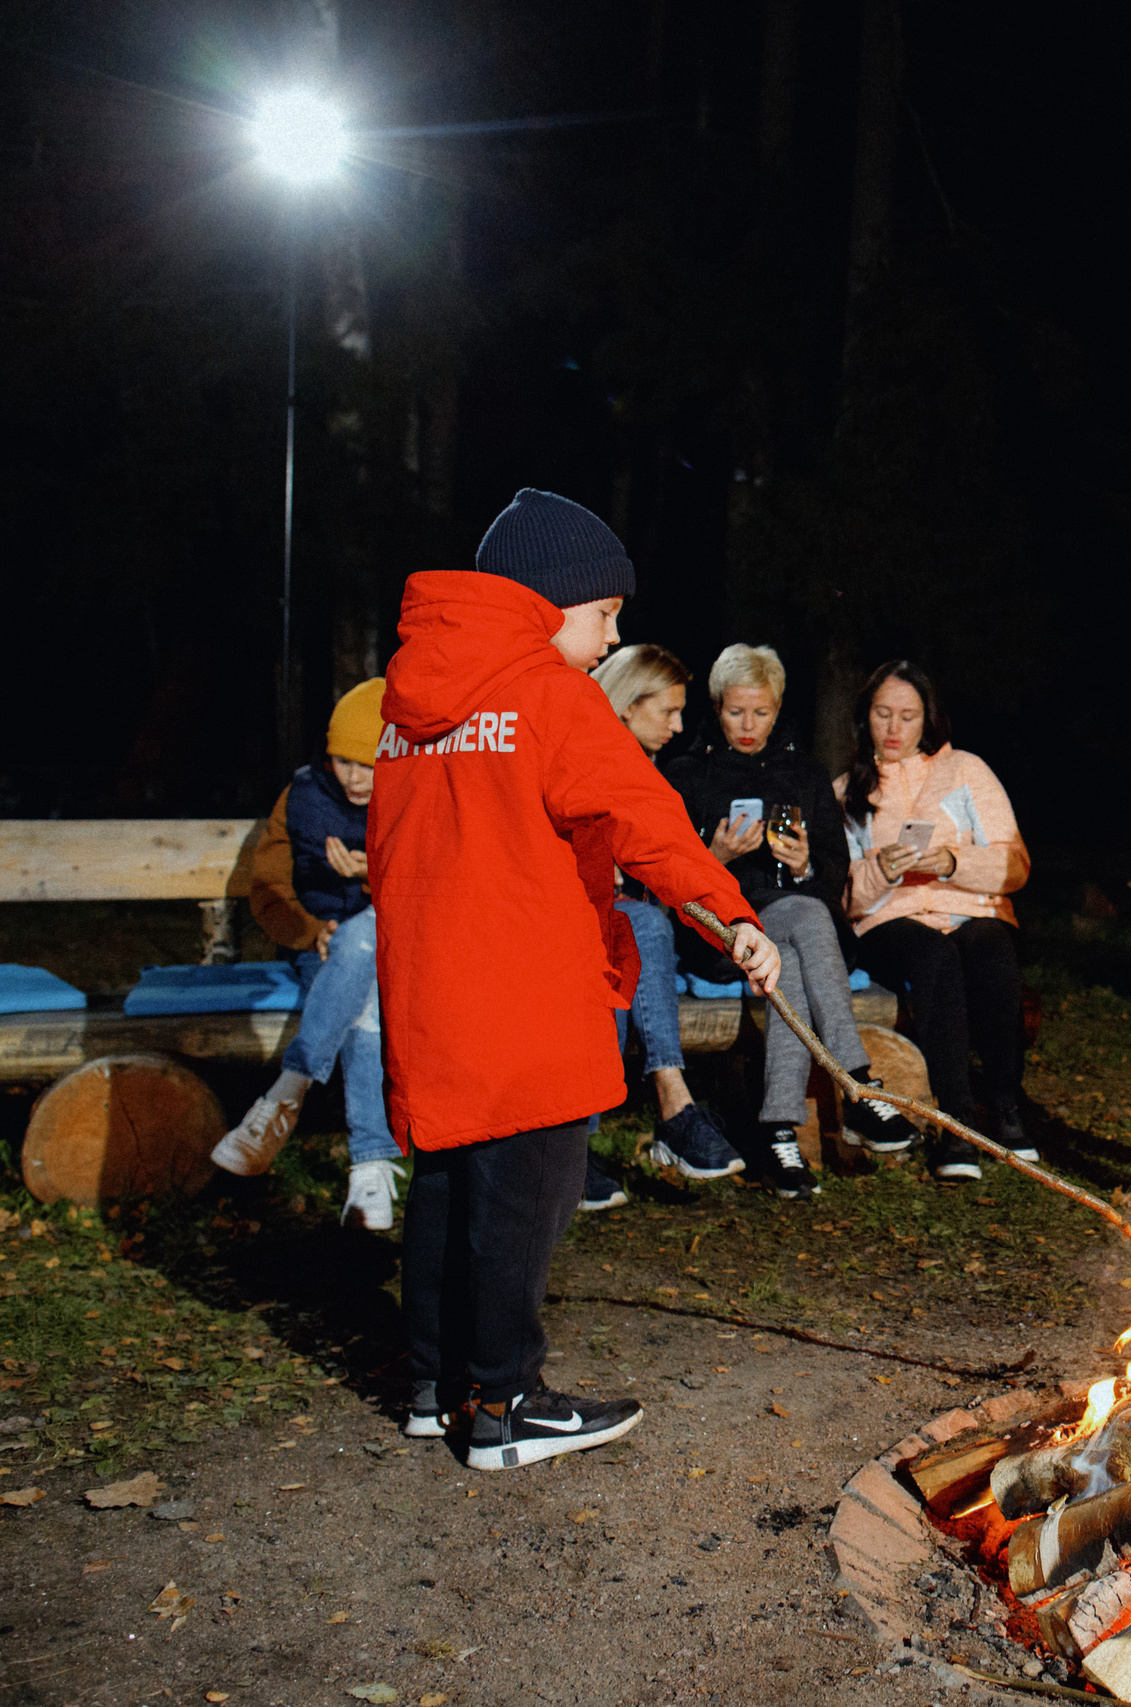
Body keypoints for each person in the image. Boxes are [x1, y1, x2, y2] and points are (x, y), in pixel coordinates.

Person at [373, 487, 777, 1467]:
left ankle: (435, 1386)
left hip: (433, 993)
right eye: (604, 613)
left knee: (448, 1186)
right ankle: (504, 1405)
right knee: (526, 1196)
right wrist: (728, 913)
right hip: (528, 994)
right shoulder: (549, 697)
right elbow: (646, 818)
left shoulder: (408, 701)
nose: (612, 637)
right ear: (548, 601)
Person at [663, 643, 910, 1191]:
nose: (749, 725)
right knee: (803, 919)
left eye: (762, 712)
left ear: (777, 709)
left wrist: (804, 865)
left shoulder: (804, 771)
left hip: (794, 934)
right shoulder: (687, 774)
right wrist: (714, 858)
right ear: (716, 707)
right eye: (736, 712)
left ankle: (779, 1133)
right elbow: (666, 871)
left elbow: (834, 866)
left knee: (792, 955)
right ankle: (858, 1085)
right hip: (720, 932)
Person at [212, 678, 404, 1231]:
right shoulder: (302, 796)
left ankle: (285, 1093)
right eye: (343, 762)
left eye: (368, 764)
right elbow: (269, 885)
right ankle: (371, 1167)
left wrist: (375, 877)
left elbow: (436, 888)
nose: (354, 777)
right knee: (364, 991)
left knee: (368, 938)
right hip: (320, 946)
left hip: (396, 948)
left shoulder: (414, 796)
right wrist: (310, 930)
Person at [835, 661, 1031, 1182]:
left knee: (991, 945)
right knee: (932, 954)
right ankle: (957, 1123)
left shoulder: (965, 771)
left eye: (908, 716)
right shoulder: (846, 791)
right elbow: (846, 899)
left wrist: (950, 862)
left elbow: (1014, 865)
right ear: (865, 717)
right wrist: (880, 870)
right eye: (883, 714)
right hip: (890, 919)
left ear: (927, 720)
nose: (894, 728)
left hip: (969, 907)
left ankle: (1005, 1107)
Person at [587, 643, 749, 1199]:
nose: (679, 727)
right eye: (668, 711)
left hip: (625, 925)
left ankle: (585, 1145)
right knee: (640, 931)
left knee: (637, 939)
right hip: (566, 916)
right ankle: (673, 1107)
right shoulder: (585, 758)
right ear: (627, 705)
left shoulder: (647, 767)